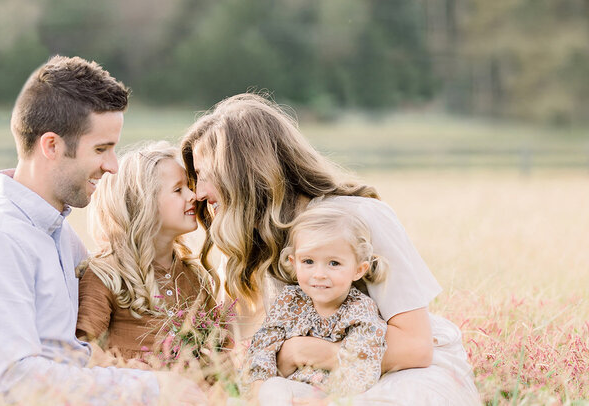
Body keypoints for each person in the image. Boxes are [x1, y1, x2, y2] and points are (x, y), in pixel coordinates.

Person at [0, 56, 206, 406]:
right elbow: (11, 383)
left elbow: (85, 356)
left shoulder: (62, 240)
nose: (112, 166)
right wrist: (153, 389)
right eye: (101, 149)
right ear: (51, 146)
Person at [180, 93, 480, 405]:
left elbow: (415, 347)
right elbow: (234, 349)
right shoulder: (261, 243)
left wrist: (307, 351)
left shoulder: (359, 217)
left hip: (408, 373)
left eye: (204, 175)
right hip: (320, 380)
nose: (199, 193)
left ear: (242, 172)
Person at [76, 141, 222, 365]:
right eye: (178, 189)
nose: (193, 195)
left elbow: (217, 346)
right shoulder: (107, 275)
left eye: (189, 186)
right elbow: (83, 349)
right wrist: (131, 372)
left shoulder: (193, 277)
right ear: (143, 204)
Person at [244, 204, 388, 405]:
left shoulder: (360, 309)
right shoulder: (290, 301)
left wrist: (328, 401)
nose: (319, 274)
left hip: (333, 396)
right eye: (308, 261)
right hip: (287, 391)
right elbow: (263, 346)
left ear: (358, 269)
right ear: (294, 263)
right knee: (272, 388)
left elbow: (362, 366)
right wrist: (257, 391)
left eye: (334, 263)